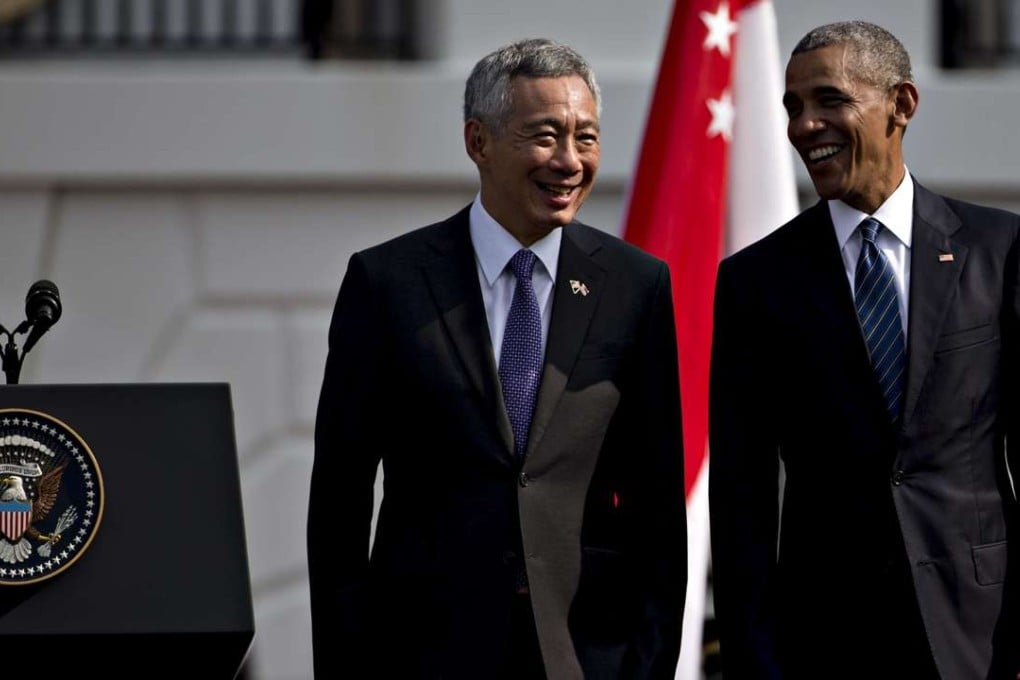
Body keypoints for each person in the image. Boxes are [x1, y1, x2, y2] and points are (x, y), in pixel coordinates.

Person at [307, 38, 687, 679]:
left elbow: (658, 510)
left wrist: (646, 666)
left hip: (583, 654)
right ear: (478, 142)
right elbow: (339, 507)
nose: (569, 161)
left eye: (586, 138)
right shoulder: (387, 282)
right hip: (427, 654)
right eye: (545, 136)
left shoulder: (635, 286)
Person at [708, 20, 1019, 679]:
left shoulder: (1000, 251)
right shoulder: (756, 281)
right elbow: (742, 499)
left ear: (901, 104)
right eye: (793, 107)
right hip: (825, 640)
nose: (804, 125)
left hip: (980, 634)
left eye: (829, 100)